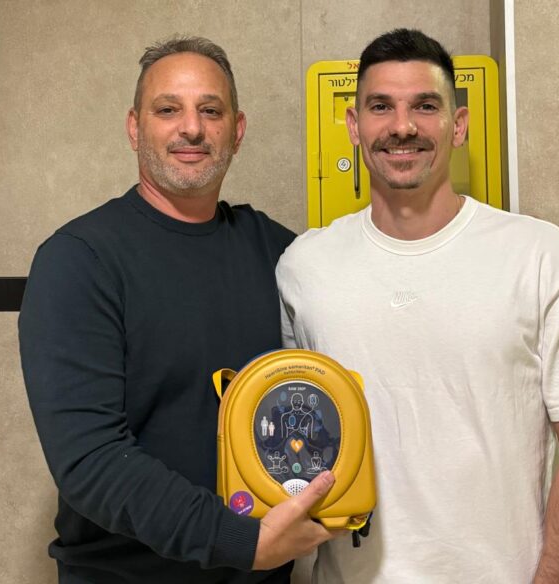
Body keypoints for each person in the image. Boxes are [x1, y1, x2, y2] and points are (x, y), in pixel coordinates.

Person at [277, 28, 559, 584]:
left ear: (458, 125)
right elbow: (298, 439)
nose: (402, 126)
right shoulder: (305, 268)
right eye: (381, 106)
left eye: (424, 106)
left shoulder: (539, 255)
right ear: (354, 126)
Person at [19, 36, 338, 584]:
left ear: (237, 130)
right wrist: (238, 541)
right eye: (168, 109)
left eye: (210, 111)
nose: (191, 128)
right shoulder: (80, 260)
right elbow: (91, 461)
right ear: (134, 127)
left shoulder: (279, 252)